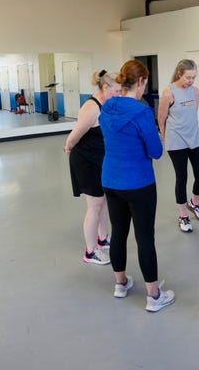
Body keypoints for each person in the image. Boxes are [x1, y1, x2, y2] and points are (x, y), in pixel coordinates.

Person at [99, 59, 175, 313]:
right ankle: (153, 296)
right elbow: (156, 151)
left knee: (118, 232)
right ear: (141, 82)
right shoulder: (142, 113)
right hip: (139, 183)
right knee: (144, 237)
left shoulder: (107, 107)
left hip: (111, 179)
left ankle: (120, 284)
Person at [63, 70, 121, 265]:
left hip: (100, 159)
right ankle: (90, 252)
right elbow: (74, 135)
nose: (119, 95)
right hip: (85, 161)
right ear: (105, 87)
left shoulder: (106, 103)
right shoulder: (91, 107)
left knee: (103, 201)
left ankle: (102, 239)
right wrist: (68, 146)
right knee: (94, 205)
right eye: (116, 90)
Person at [157, 59, 199, 233]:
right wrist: (166, 140)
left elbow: (192, 115)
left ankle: (194, 202)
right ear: (180, 74)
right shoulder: (168, 93)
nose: (191, 81)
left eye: (193, 77)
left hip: (194, 139)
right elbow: (161, 120)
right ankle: (183, 215)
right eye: (188, 77)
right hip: (176, 141)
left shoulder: (195, 92)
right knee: (182, 177)